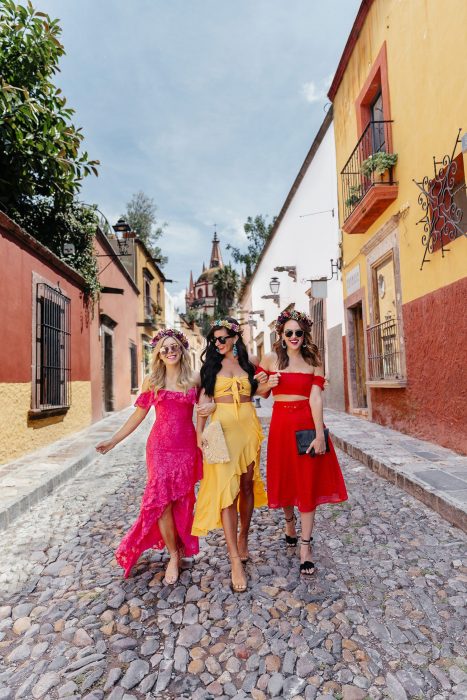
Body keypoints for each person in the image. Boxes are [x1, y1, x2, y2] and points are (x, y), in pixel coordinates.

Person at [96, 329, 202, 584]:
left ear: (182, 349)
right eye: (164, 349)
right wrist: (113, 440)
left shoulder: (194, 379)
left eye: (174, 346)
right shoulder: (152, 381)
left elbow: (205, 411)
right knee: (161, 502)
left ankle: (180, 544)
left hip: (186, 447)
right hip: (159, 448)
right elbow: (138, 415)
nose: (170, 351)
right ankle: (173, 555)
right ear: (159, 354)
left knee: (182, 500)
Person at [256, 309, 348, 577]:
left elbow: (316, 398)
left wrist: (320, 434)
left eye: (299, 332)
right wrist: (267, 383)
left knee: (307, 483)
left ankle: (305, 547)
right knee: (285, 478)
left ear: (304, 335)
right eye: (289, 333)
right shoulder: (271, 359)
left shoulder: (313, 361)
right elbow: (258, 391)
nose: (294, 336)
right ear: (281, 335)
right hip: (281, 428)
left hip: (306, 425)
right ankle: (289, 523)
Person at [192, 318, 267, 593]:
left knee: (247, 486)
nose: (219, 343)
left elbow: (263, 391)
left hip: (248, 430)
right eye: (215, 340)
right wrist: (200, 435)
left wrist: (266, 381)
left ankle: (244, 536)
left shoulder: (248, 365)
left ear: (235, 338)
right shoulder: (210, 368)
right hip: (220, 433)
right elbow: (202, 402)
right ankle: (235, 559)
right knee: (227, 493)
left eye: (223, 338)